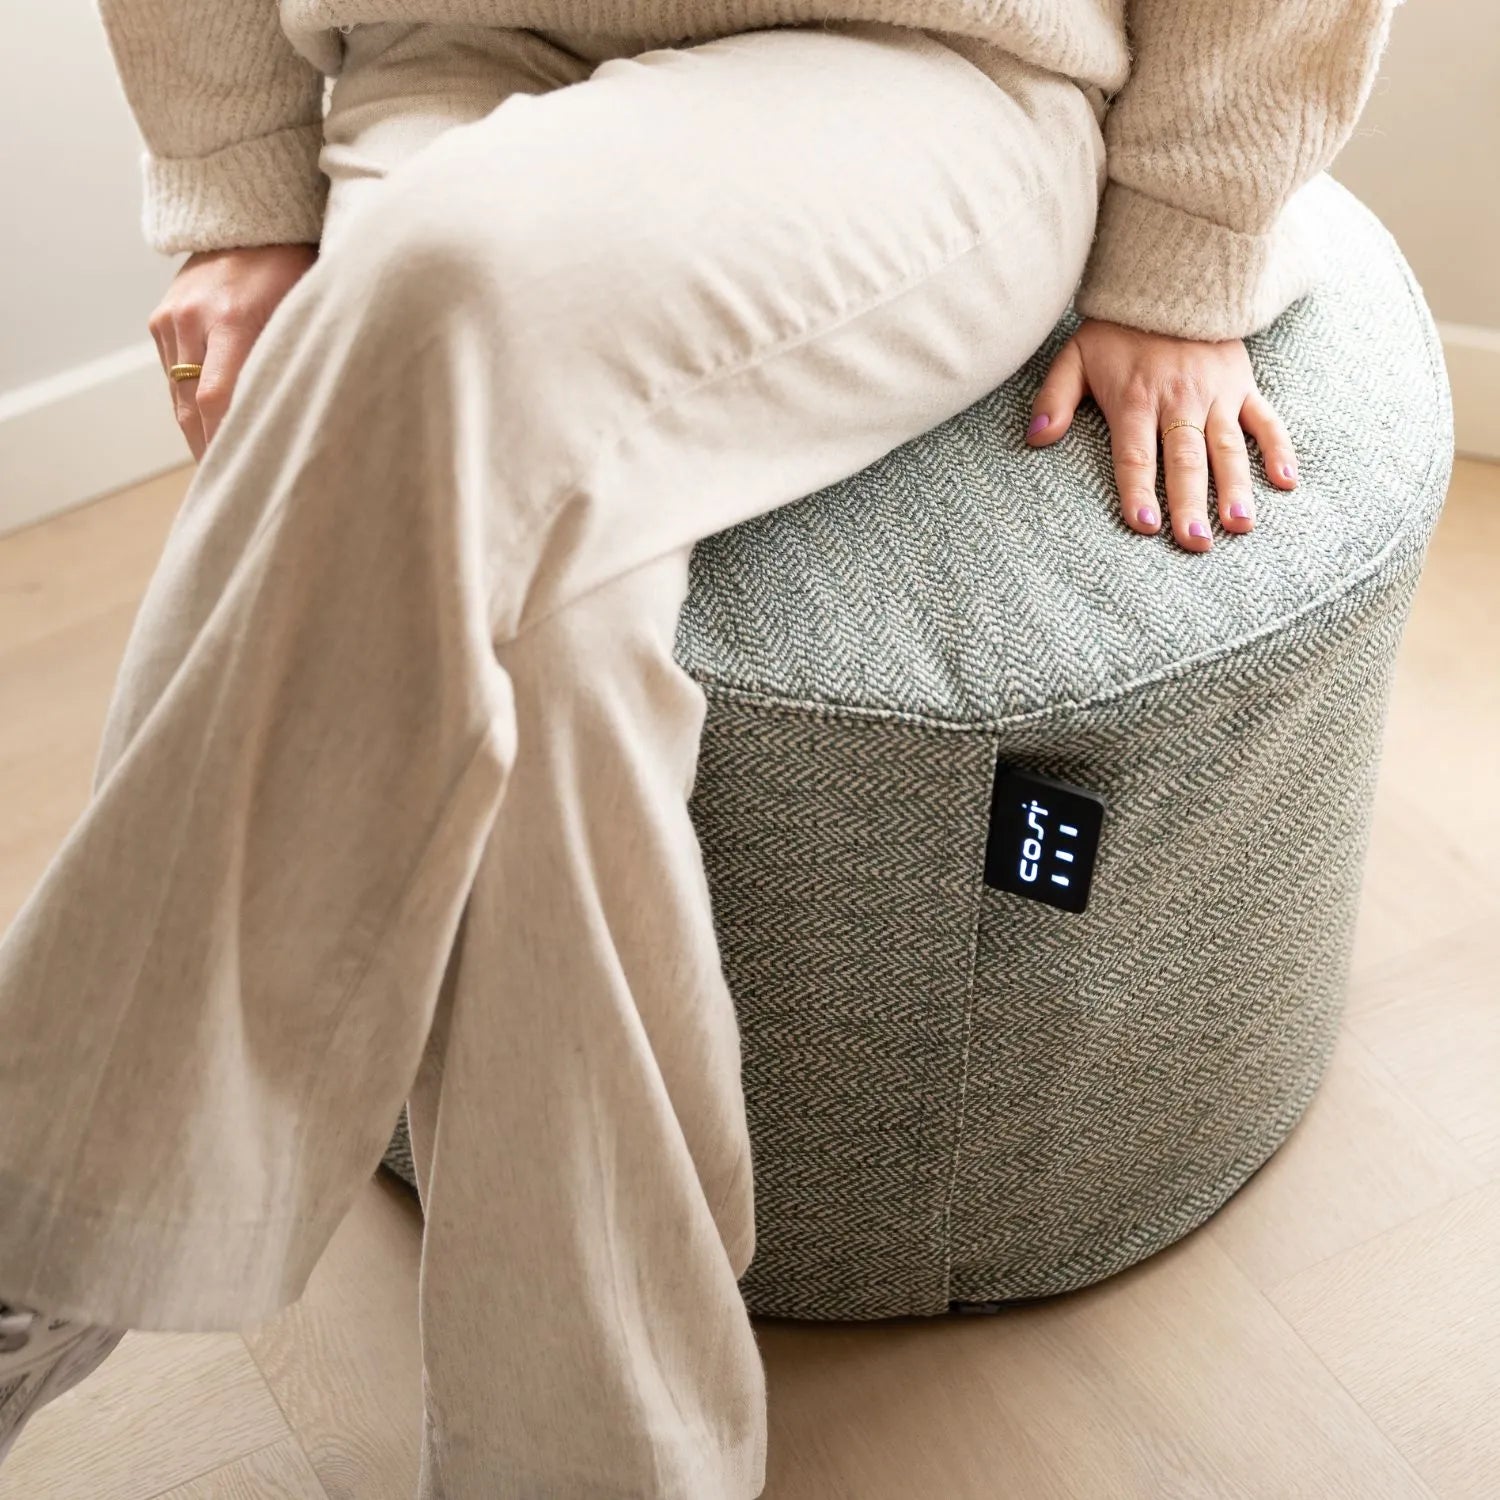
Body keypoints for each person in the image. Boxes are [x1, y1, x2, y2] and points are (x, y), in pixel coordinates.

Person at [0, 0, 1395, 1494]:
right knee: (546, 658)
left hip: (916, 69)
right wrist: (236, 184)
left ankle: (36, 1234)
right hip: (446, 54)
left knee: (441, 293)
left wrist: (1188, 244)